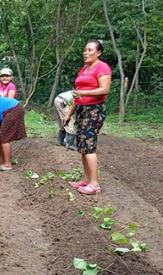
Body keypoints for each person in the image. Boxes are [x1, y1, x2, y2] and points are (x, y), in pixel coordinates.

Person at [64, 39, 112, 195]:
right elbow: (77, 92)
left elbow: (104, 89)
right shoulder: (84, 69)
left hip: (94, 110)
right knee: (83, 145)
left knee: (89, 146)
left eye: (90, 50)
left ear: (99, 52)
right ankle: (86, 180)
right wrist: (69, 113)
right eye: (85, 50)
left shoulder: (102, 67)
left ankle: (95, 184)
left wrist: (85, 93)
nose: (86, 52)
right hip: (82, 109)